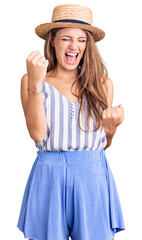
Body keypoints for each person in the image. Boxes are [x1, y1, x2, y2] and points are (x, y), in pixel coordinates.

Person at [17, 4, 125, 240]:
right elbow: (37, 134)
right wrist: (35, 84)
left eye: (81, 40)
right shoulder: (32, 79)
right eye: (66, 38)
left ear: (88, 45)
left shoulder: (103, 85)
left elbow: (101, 143)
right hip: (49, 177)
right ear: (52, 40)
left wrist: (111, 130)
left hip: (93, 176)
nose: (74, 46)